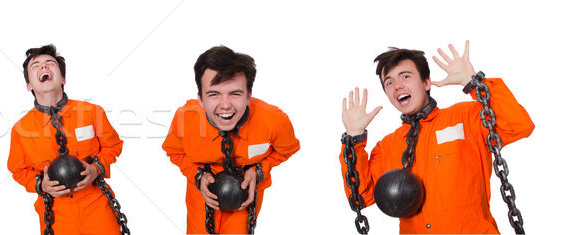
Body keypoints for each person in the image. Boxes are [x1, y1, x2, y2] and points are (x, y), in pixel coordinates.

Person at [337, 41, 534, 233]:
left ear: (426, 82)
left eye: (405, 76)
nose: (397, 86)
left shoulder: (466, 118)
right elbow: (360, 197)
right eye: (389, 82)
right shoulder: (387, 146)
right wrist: (354, 139)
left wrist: (473, 82)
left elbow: (518, 126)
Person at [162, 46, 300, 234]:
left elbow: (286, 149)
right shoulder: (185, 119)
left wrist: (259, 171)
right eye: (213, 94)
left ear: (248, 96)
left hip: (245, 191)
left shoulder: (274, 122)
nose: (225, 105)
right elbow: (174, 151)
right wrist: (197, 175)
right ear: (200, 99)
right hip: (202, 192)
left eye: (235, 94)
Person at [6, 44, 126, 234]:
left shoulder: (92, 112)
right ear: (28, 85)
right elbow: (18, 170)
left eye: (50, 63)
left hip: (96, 204)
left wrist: (96, 169)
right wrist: (41, 185)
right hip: (55, 212)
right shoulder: (20, 130)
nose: (43, 67)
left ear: (63, 79)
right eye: (35, 65)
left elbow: (113, 146)